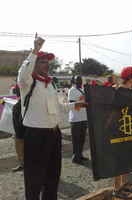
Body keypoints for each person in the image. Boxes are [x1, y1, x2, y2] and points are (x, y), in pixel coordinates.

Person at [17, 37, 87, 200]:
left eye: (47, 62)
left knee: (52, 177)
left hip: (53, 135)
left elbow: (58, 108)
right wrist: (35, 50)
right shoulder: (28, 83)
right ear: (34, 64)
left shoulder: (50, 85)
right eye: (42, 61)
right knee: (34, 179)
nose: (46, 64)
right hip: (35, 135)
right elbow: (22, 73)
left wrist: (77, 104)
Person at [112, 66, 132, 199]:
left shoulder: (130, 90)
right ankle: (116, 189)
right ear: (129, 77)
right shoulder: (120, 91)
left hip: (129, 127)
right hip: (120, 128)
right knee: (120, 158)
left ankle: (124, 184)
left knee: (127, 157)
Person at [68, 76, 88, 164]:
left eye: (80, 80)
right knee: (76, 139)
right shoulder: (72, 90)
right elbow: (71, 103)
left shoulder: (83, 89)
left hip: (84, 117)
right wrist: (85, 105)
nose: (80, 81)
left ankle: (80, 154)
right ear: (74, 81)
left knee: (82, 138)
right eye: (78, 80)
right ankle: (75, 157)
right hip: (75, 119)